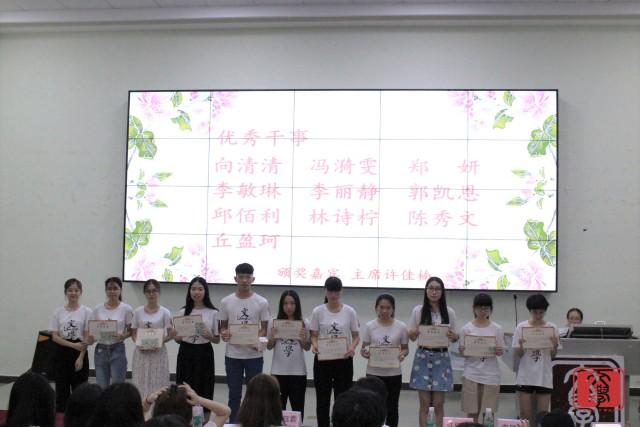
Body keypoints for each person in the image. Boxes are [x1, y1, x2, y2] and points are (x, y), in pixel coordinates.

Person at [219, 263, 271, 422]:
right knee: (234, 394)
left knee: (255, 394)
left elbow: (264, 328)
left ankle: (253, 422)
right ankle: (234, 423)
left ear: (253, 279)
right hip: (232, 356)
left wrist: (257, 339)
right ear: (235, 278)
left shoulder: (261, 302)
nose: (244, 280)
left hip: (254, 355)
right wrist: (224, 334)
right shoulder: (226, 301)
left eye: (247, 277)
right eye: (241, 277)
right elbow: (223, 327)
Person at [407, 276, 458, 427]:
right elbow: (411, 337)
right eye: (431, 288)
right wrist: (411, 333)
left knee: (438, 404)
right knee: (424, 404)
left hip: (441, 357)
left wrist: (455, 336)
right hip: (422, 357)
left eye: (437, 289)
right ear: (426, 290)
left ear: (442, 292)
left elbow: (455, 337)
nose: (434, 292)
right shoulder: (418, 310)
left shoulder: (449, 312)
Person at [310, 277, 360, 427]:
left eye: (336, 291)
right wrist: (315, 345)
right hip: (323, 360)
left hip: (343, 359)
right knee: (322, 399)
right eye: (330, 291)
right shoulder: (318, 311)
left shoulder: (349, 311)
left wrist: (352, 347)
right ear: (324, 291)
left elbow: (356, 335)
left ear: (341, 291)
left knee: (343, 399)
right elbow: (313, 335)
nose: (333, 294)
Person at [359, 293, 408, 427]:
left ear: (393, 309)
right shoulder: (369, 326)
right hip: (373, 373)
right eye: (381, 307)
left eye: (388, 307)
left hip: (394, 373)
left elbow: (405, 349)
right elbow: (364, 348)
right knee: (372, 405)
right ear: (376, 308)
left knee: (392, 406)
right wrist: (365, 353)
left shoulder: (401, 326)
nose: (384, 310)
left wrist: (402, 355)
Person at [458, 293, 504, 424]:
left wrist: (499, 350)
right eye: (480, 308)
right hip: (471, 373)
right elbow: (463, 352)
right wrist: (463, 351)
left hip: (491, 374)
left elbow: (501, 351)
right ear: (474, 308)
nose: (483, 311)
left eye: (486, 308)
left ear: (490, 309)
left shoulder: (497, 328)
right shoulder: (466, 329)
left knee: (488, 413)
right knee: (472, 412)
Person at [513, 294, 559, 422]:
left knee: (543, 415)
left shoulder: (552, 328)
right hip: (526, 375)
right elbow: (519, 354)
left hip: (544, 375)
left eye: (541, 312)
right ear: (530, 311)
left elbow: (553, 355)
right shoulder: (521, 327)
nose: (538, 315)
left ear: (545, 311)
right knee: (524, 414)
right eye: (535, 312)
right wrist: (521, 346)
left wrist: (555, 346)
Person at [175, 277, 220, 408]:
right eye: (193, 289)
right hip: (186, 351)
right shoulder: (183, 311)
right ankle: (183, 414)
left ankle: (203, 416)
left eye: (200, 289)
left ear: (205, 291)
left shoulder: (213, 312)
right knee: (184, 385)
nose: (196, 292)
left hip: (204, 351)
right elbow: (178, 340)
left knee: (204, 385)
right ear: (189, 291)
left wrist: (210, 337)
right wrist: (176, 337)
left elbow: (217, 340)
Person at [49, 278, 93, 412]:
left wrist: (80, 357)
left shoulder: (87, 311)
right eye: (70, 290)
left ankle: (79, 418)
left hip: (80, 352)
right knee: (61, 389)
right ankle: (61, 417)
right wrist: (72, 345)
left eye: (76, 290)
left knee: (80, 390)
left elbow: (86, 337)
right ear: (65, 292)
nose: (73, 293)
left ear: (81, 292)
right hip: (61, 352)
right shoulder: (58, 312)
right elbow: (55, 336)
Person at [266, 290, 310, 419]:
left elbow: (307, 347)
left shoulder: (304, 322)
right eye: (285, 303)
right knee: (277, 408)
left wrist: (302, 338)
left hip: (298, 372)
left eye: (292, 303)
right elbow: (269, 346)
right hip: (278, 371)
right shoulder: (273, 322)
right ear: (281, 305)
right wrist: (274, 336)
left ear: (297, 305)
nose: (289, 307)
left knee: (298, 408)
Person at [131, 279, 174, 399]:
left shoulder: (165, 312)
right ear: (144, 293)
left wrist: (159, 342)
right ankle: (141, 407)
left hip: (158, 353)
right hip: (141, 353)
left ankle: (157, 408)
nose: (151, 294)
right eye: (148, 291)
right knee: (140, 381)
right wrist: (138, 343)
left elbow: (170, 334)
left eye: (154, 291)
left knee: (158, 382)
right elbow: (133, 333)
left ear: (159, 292)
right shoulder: (138, 311)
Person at [89, 277, 133, 389]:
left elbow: (131, 331)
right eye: (109, 289)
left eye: (115, 288)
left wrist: (123, 336)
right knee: (102, 386)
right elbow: (93, 331)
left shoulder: (126, 309)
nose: (112, 291)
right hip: (101, 349)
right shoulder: (98, 309)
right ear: (106, 290)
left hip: (117, 348)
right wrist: (91, 339)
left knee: (117, 387)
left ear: (120, 290)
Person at [146, 383, 231, 427]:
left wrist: (148, 399)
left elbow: (143, 410)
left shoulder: (147, 424)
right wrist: (199, 400)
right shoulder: (198, 424)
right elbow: (225, 412)